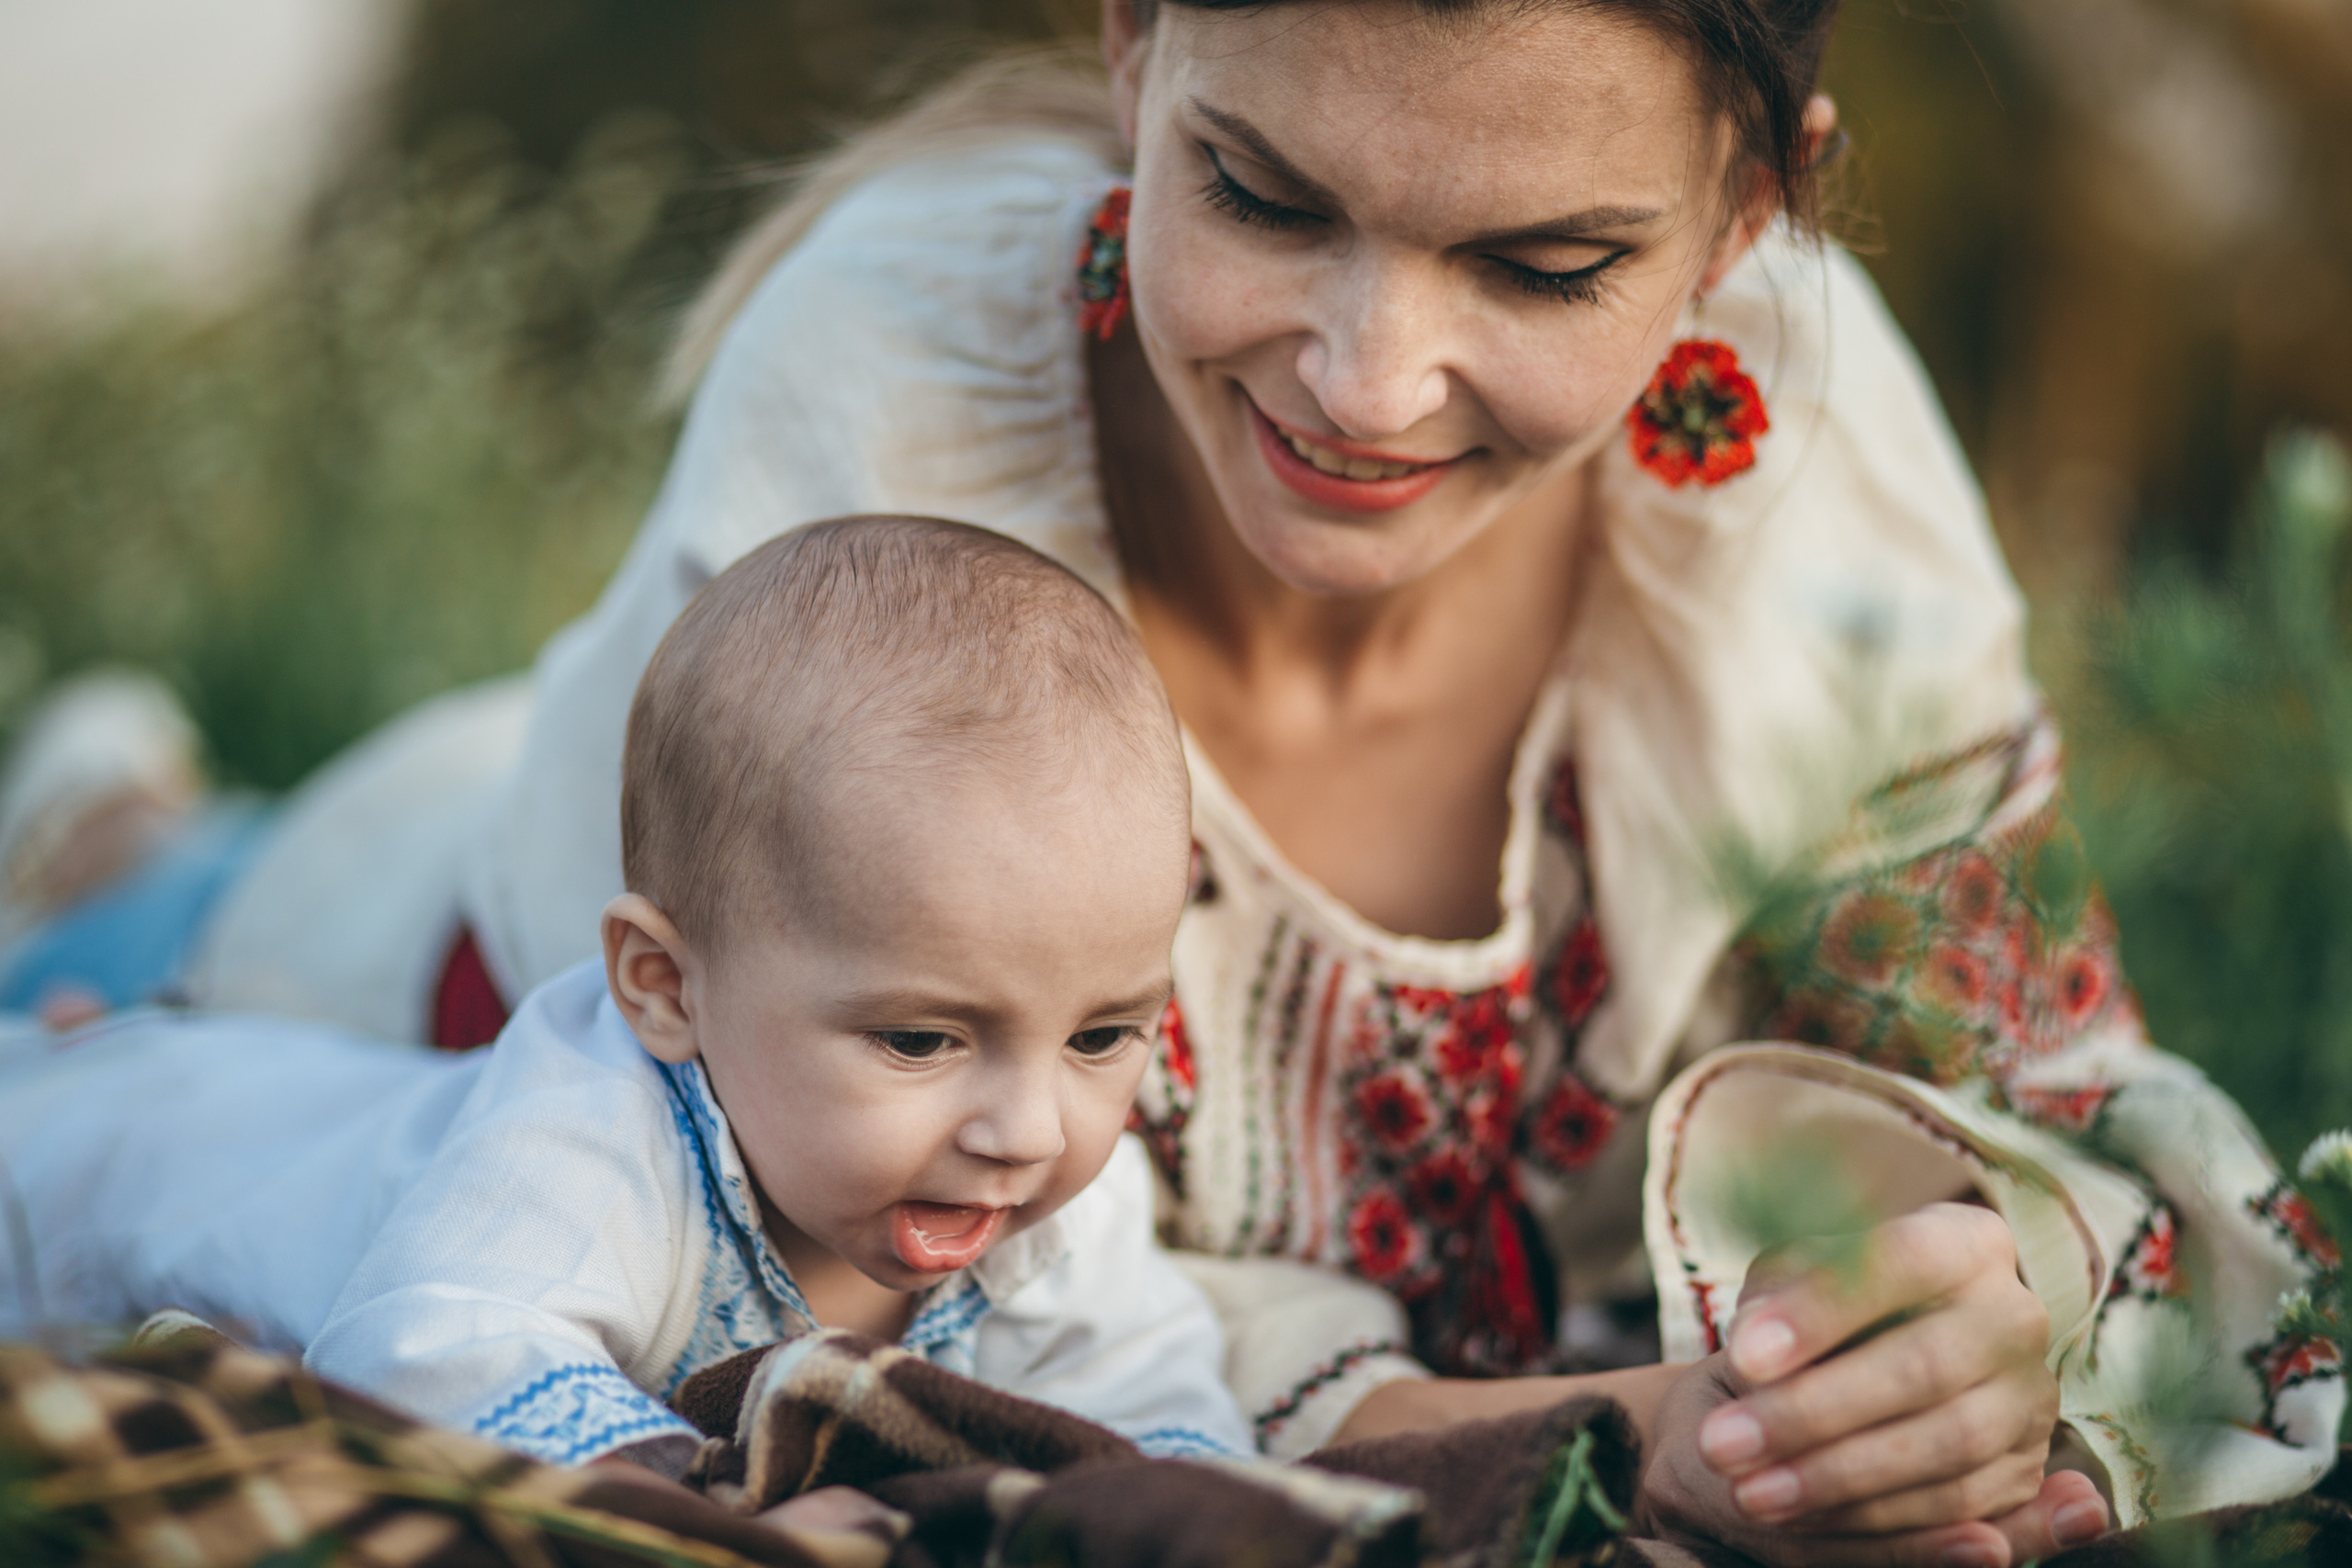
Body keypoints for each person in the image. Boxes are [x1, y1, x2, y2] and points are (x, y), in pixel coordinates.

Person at [0, 4, 2340, 1564]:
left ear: (1747, 214)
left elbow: (2048, 1097)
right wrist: (1593, 1434)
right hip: (399, 971)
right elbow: (783, 1271)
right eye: (1264, 193)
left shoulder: (1811, 480)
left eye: (1541, 263)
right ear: (1131, 37)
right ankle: (114, 831)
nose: (1366, 381)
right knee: (126, 975)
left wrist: (1979, 1310)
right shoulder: (890, 399)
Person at [0, 516, 1252, 1483]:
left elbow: (1153, 1405)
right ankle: (100, 835)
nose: (1030, 1128)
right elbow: (427, 1352)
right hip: (82, 1168)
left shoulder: (1046, 1207)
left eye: (1103, 1035)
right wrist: (706, 1497)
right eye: (922, 1040)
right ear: (665, 988)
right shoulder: (598, 1139)